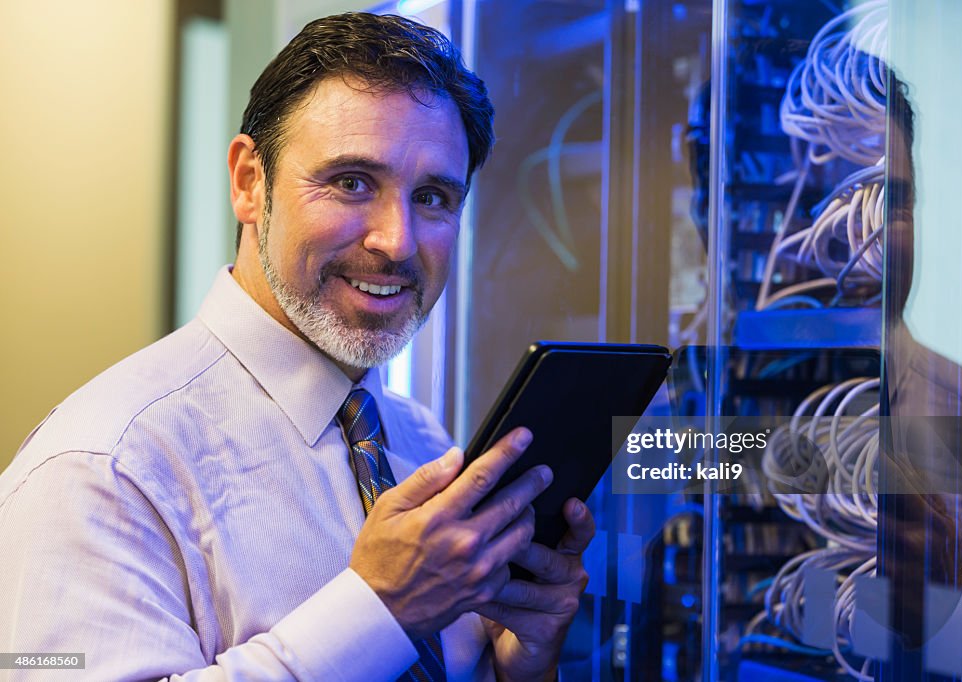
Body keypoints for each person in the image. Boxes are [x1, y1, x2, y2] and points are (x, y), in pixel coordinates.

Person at [0, 13, 593, 681]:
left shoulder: (420, 442)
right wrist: (379, 610)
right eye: (351, 183)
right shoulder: (103, 466)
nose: (396, 241)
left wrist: (518, 666)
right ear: (250, 182)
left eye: (432, 197)